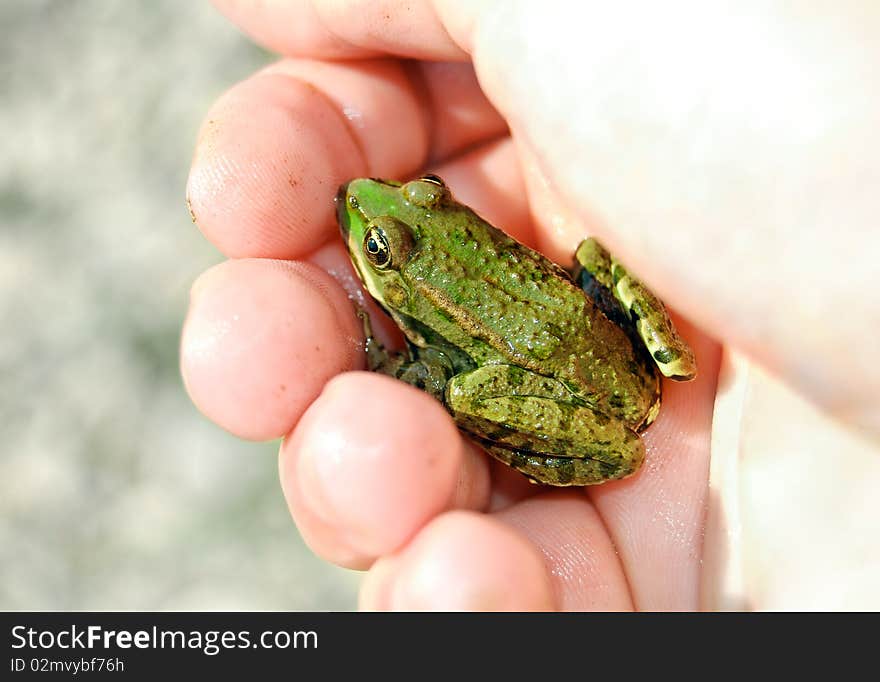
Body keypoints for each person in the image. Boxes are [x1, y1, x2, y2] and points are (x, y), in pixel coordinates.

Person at [180, 1, 880, 610]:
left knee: (460, 389)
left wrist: (405, 372)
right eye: (387, 243)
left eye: (388, 239)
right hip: (630, 356)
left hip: (590, 393)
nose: (371, 199)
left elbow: (432, 378)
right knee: (589, 266)